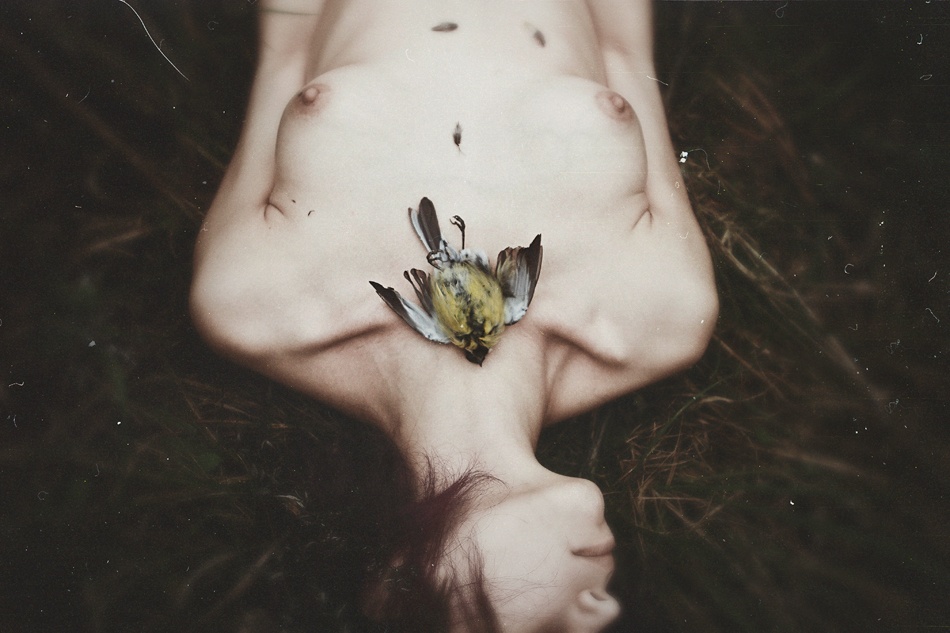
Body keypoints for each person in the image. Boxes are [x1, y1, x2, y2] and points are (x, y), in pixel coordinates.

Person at [189, 0, 717, 630]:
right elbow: (626, 55)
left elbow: (285, 53)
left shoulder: (250, 305)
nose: (597, 614)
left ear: (398, 585)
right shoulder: (664, 315)